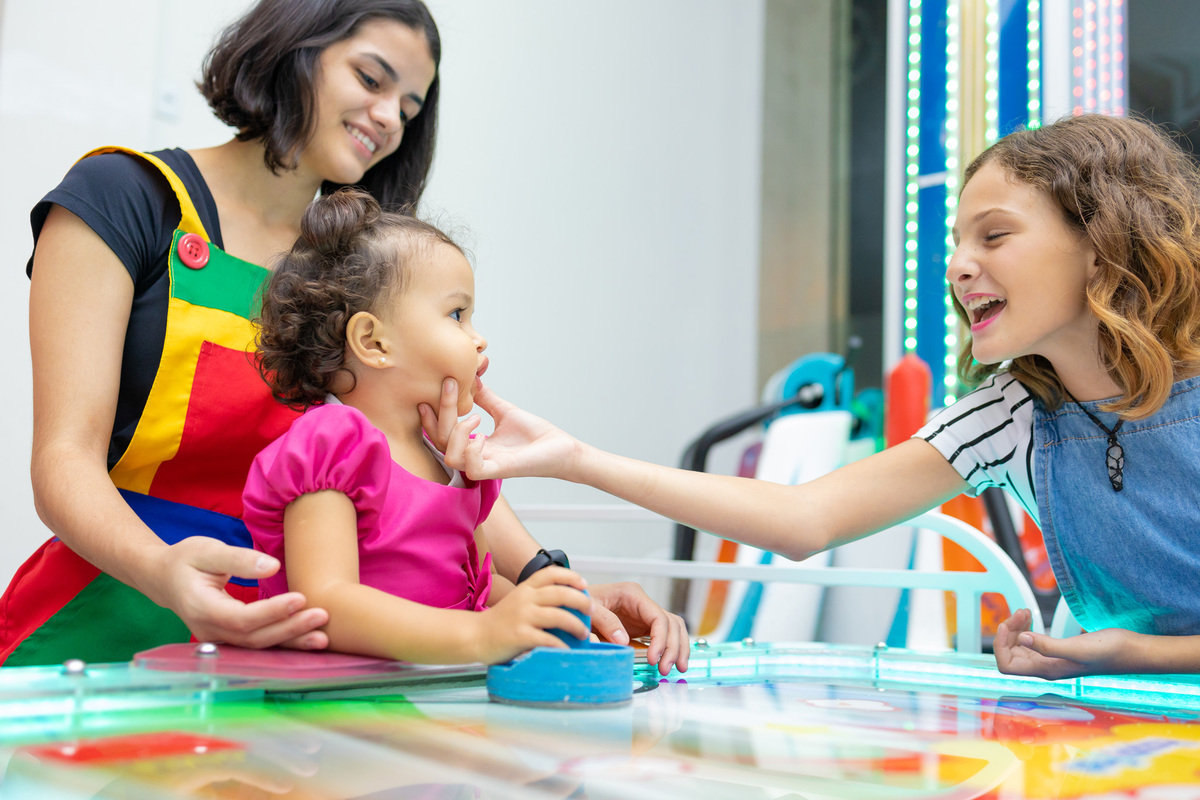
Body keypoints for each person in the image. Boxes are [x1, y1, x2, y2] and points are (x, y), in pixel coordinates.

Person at [3, 0, 687, 674]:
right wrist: (161, 570)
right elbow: (64, 461)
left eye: (410, 109)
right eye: (371, 79)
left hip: (298, 656)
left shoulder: (364, 269)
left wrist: (560, 589)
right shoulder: (124, 197)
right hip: (102, 625)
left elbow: (429, 467)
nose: (390, 119)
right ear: (293, 46)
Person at [434, 113, 1200, 680]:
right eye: (956, 243)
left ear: (1105, 243)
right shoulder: (1009, 416)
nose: (959, 266)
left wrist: (1135, 653)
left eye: (993, 237)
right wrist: (574, 458)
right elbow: (803, 519)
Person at [242, 188, 596, 664]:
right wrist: (483, 635)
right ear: (373, 341)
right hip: (347, 713)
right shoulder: (331, 445)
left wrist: (560, 618)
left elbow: (479, 589)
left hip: (437, 695)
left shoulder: (448, 456)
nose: (479, 337)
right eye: (457, 314)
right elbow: (325, 602)